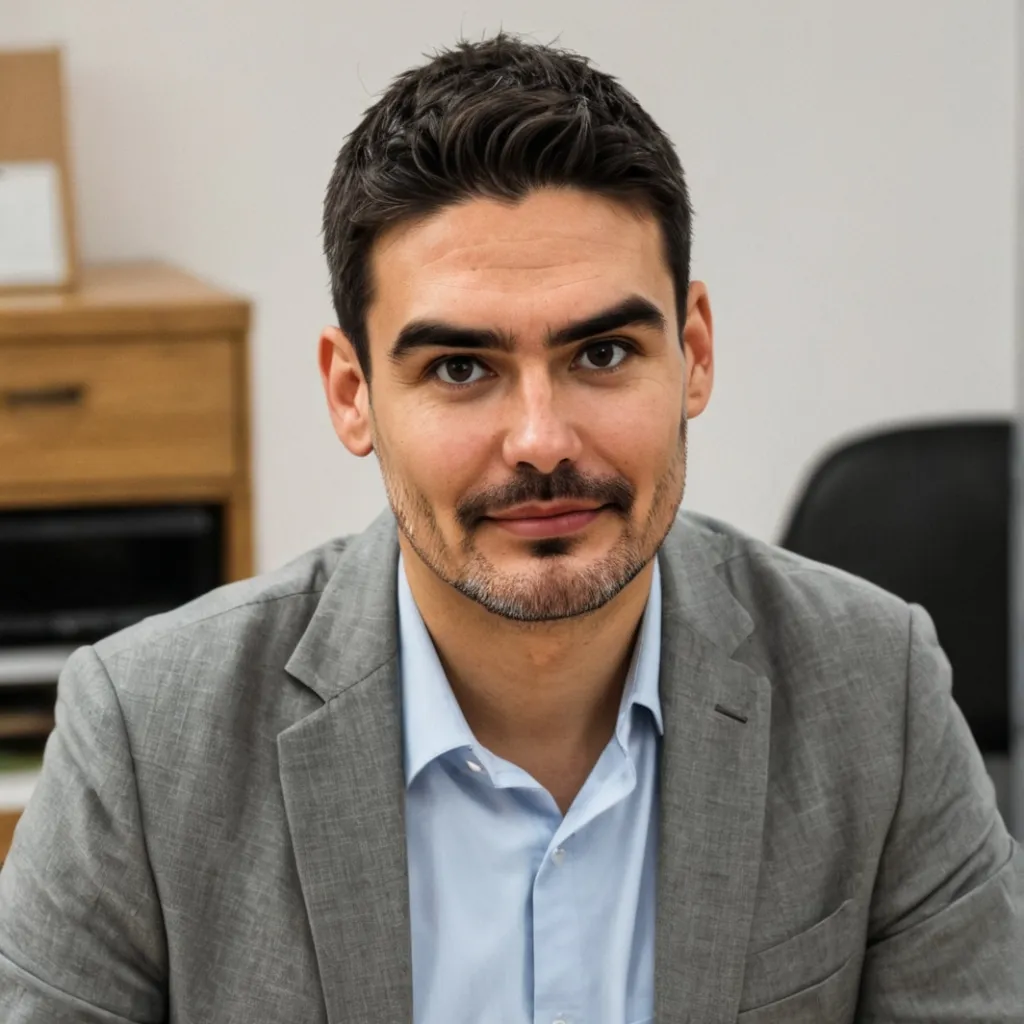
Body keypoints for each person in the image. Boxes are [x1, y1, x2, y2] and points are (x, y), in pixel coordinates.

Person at [0, 32, 1021, 1024]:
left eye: (603, 354)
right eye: (459, 368)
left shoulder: (875, 693)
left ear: (695, 353)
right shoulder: (145, 737)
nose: (540, 441)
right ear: (352, 394)